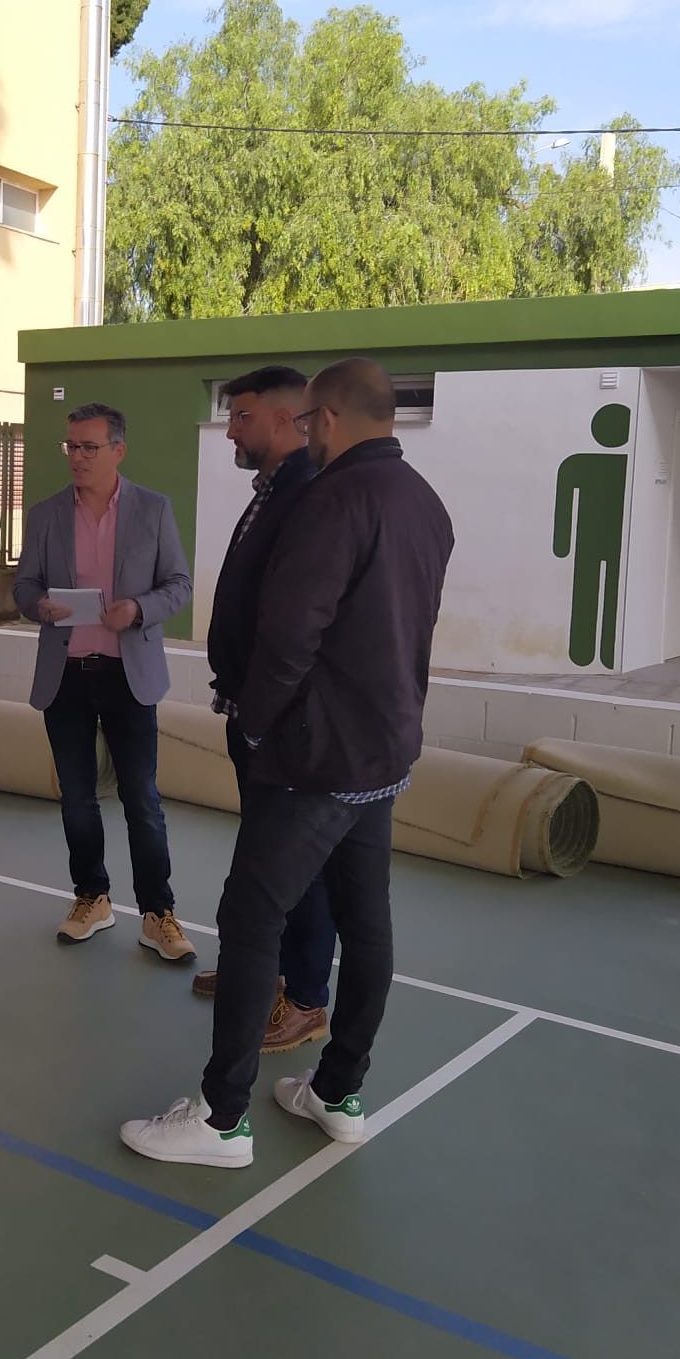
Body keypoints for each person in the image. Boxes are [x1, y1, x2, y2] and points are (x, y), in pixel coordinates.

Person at [121, 358, 454, 1167]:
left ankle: (221, 1119)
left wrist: (260, 725)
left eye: (309, 422)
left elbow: (291, 630)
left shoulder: (334, 499)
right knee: (365, 921)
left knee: (250, 916)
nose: (307, 436)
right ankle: (337, 1092)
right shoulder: (424, 501)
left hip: (317, 757)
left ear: (328, 418)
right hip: (382, 752)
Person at [14, 402, 194, 960]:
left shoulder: (153, 510)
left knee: (142, 799)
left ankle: (158, 913)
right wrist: (38, 606)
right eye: (71, 446)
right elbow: (23, 586)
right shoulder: (45, 514)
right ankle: (91, 897)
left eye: (89, 447)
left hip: (128, 676)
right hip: (65, 676)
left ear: (119, 450)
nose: (78, 457)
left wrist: (138, 609)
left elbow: (179, 584)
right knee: (76, 798)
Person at [197, 365, 338, 1056]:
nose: (230, 430)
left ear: (286, 419)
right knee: (261, 856)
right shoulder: (273, 492)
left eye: (242, 416)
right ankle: (261, 969)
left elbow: (296, 623)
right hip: (251, 711)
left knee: (296, 863)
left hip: (279, 719)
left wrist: (262, 714)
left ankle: (305, 999)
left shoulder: (307, 496)